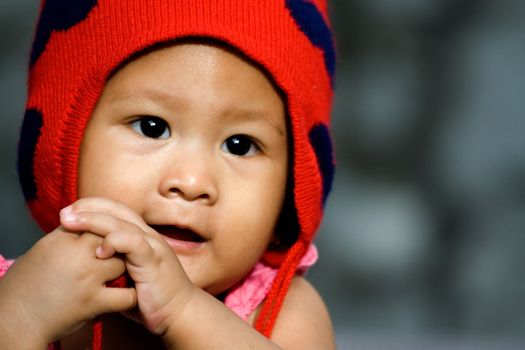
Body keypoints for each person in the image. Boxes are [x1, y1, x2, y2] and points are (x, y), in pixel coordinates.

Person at [0, 1, 337, 349]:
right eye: (152, 127)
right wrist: (19, 320)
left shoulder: (281, 314)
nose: (192, 183)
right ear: (62, 143)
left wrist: (182, 311)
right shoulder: (16, 297)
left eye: (240, 145)